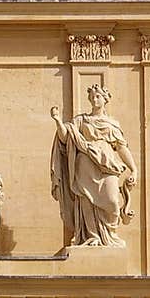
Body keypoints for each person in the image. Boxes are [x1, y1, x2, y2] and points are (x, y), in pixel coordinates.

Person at [50, 83, 137, 248]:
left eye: (98, 96)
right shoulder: (81, 120)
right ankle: (92, 236)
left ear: (105, 100)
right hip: (85, 164)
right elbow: (65, 138)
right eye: (92, 97)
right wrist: (58, 121)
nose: (94, 99)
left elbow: (121, 147)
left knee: (112, 201)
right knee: (87, 200)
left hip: (107, 164)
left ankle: (109, 236)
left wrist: (134, 168)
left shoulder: (112, 123)